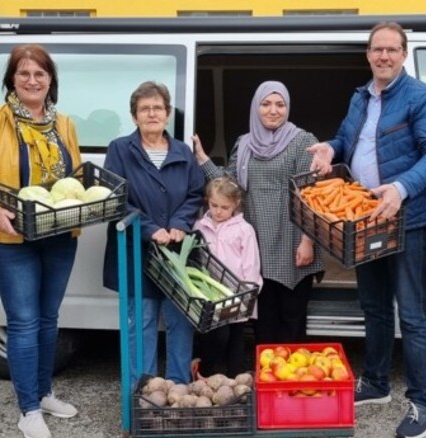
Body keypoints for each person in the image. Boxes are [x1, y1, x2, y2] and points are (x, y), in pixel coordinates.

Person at [308, 22, 426, 438]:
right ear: (368, 54)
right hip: (364, 219)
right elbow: (349, 140)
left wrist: (401, 188)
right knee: (372, 305)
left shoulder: (424, 98)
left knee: (412, 312)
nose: (384, 56)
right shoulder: (360, 97)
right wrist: (330, 148)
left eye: (392, 49)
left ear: (404, 54)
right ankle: (375, 383)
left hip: (408, 219)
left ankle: (422, 401)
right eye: (377, 49)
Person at [0, 44, 80, 438]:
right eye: (23, 73)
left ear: (50, 81)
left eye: (40, 74)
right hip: (10, 238)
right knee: (24, 322)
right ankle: (28, 409)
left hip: (58, 236)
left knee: (49, 319)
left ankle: (44, 394)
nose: (32, 80)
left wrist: (88, 205)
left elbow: (73, 180)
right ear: (11, 80)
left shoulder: (64, 125)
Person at [192, 81, 323, 345]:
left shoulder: (303, 142)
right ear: (256, 107)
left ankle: (292, 376)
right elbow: (229, 187)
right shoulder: (245, 144)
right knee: (264, 316)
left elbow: (312, 197)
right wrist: (203, 160)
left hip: (292, 239)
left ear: (288, 108)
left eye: (280, 104)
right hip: (255, 240)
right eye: (266, 104)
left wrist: (308, 241)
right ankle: (268, 373)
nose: (273, 110)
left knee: (292, 313)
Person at [102, 81, 205, 388]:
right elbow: (114, 196)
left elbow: (196, 193)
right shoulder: (120, 149)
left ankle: (177, 390)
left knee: (180, 322)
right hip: (138, 252)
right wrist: (150, 229)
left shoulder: (183, 152)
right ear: (134, 116)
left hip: (177, 252)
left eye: (157, 108)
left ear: (168, 114)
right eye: (144, 109)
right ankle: (144, 392)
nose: (151, 114)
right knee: (143, 324)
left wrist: (180, 223)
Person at [191, 176, 262, 379]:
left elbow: (251, 264)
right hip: (211, 296)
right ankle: (205, 373)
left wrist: (248, 292)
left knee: (237, 337)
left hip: (238, 295)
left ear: (235, 205)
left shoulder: (244, 230)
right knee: (215, 336)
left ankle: (235, 379)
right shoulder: (200, 227)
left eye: (224, 207)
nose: (218, 211)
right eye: (214, 205)